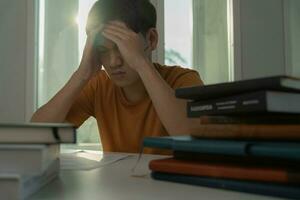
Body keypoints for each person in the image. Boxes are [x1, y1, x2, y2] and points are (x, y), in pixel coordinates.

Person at [31, 0, 203, 154]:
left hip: (172, 186)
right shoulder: (99, 86)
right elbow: (36, 136)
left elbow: (193, 137)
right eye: (103, 51)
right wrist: (81, 75)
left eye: (123, 47)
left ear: (151, 39)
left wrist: (141, 64)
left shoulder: (182, 79)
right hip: (116, 187)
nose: (113, 62)